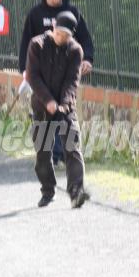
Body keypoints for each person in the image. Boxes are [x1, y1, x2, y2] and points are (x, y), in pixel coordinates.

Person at [19, 0, 94, 166]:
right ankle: (49, 153)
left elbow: (85, 38)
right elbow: (25, 43)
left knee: (64, 110)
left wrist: (87, 59)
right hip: (41, 75)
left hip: (66, 72)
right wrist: (25, 71)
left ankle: (60, 155)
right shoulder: (35, 14)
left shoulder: (72, 12)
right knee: (45, 112)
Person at [26, 11, 89, 209]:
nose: (62, 38)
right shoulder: (37, 44)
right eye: (60, 33)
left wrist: (62, 104)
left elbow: (72, 81)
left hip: (65, 107)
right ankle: (48, 190)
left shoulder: (75, 50)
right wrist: (48, 101)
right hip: (42, 106)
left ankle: (76, 192)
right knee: (43, 153)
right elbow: (33, 77)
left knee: (73, 149)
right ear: (54, 27)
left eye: (67, 35)